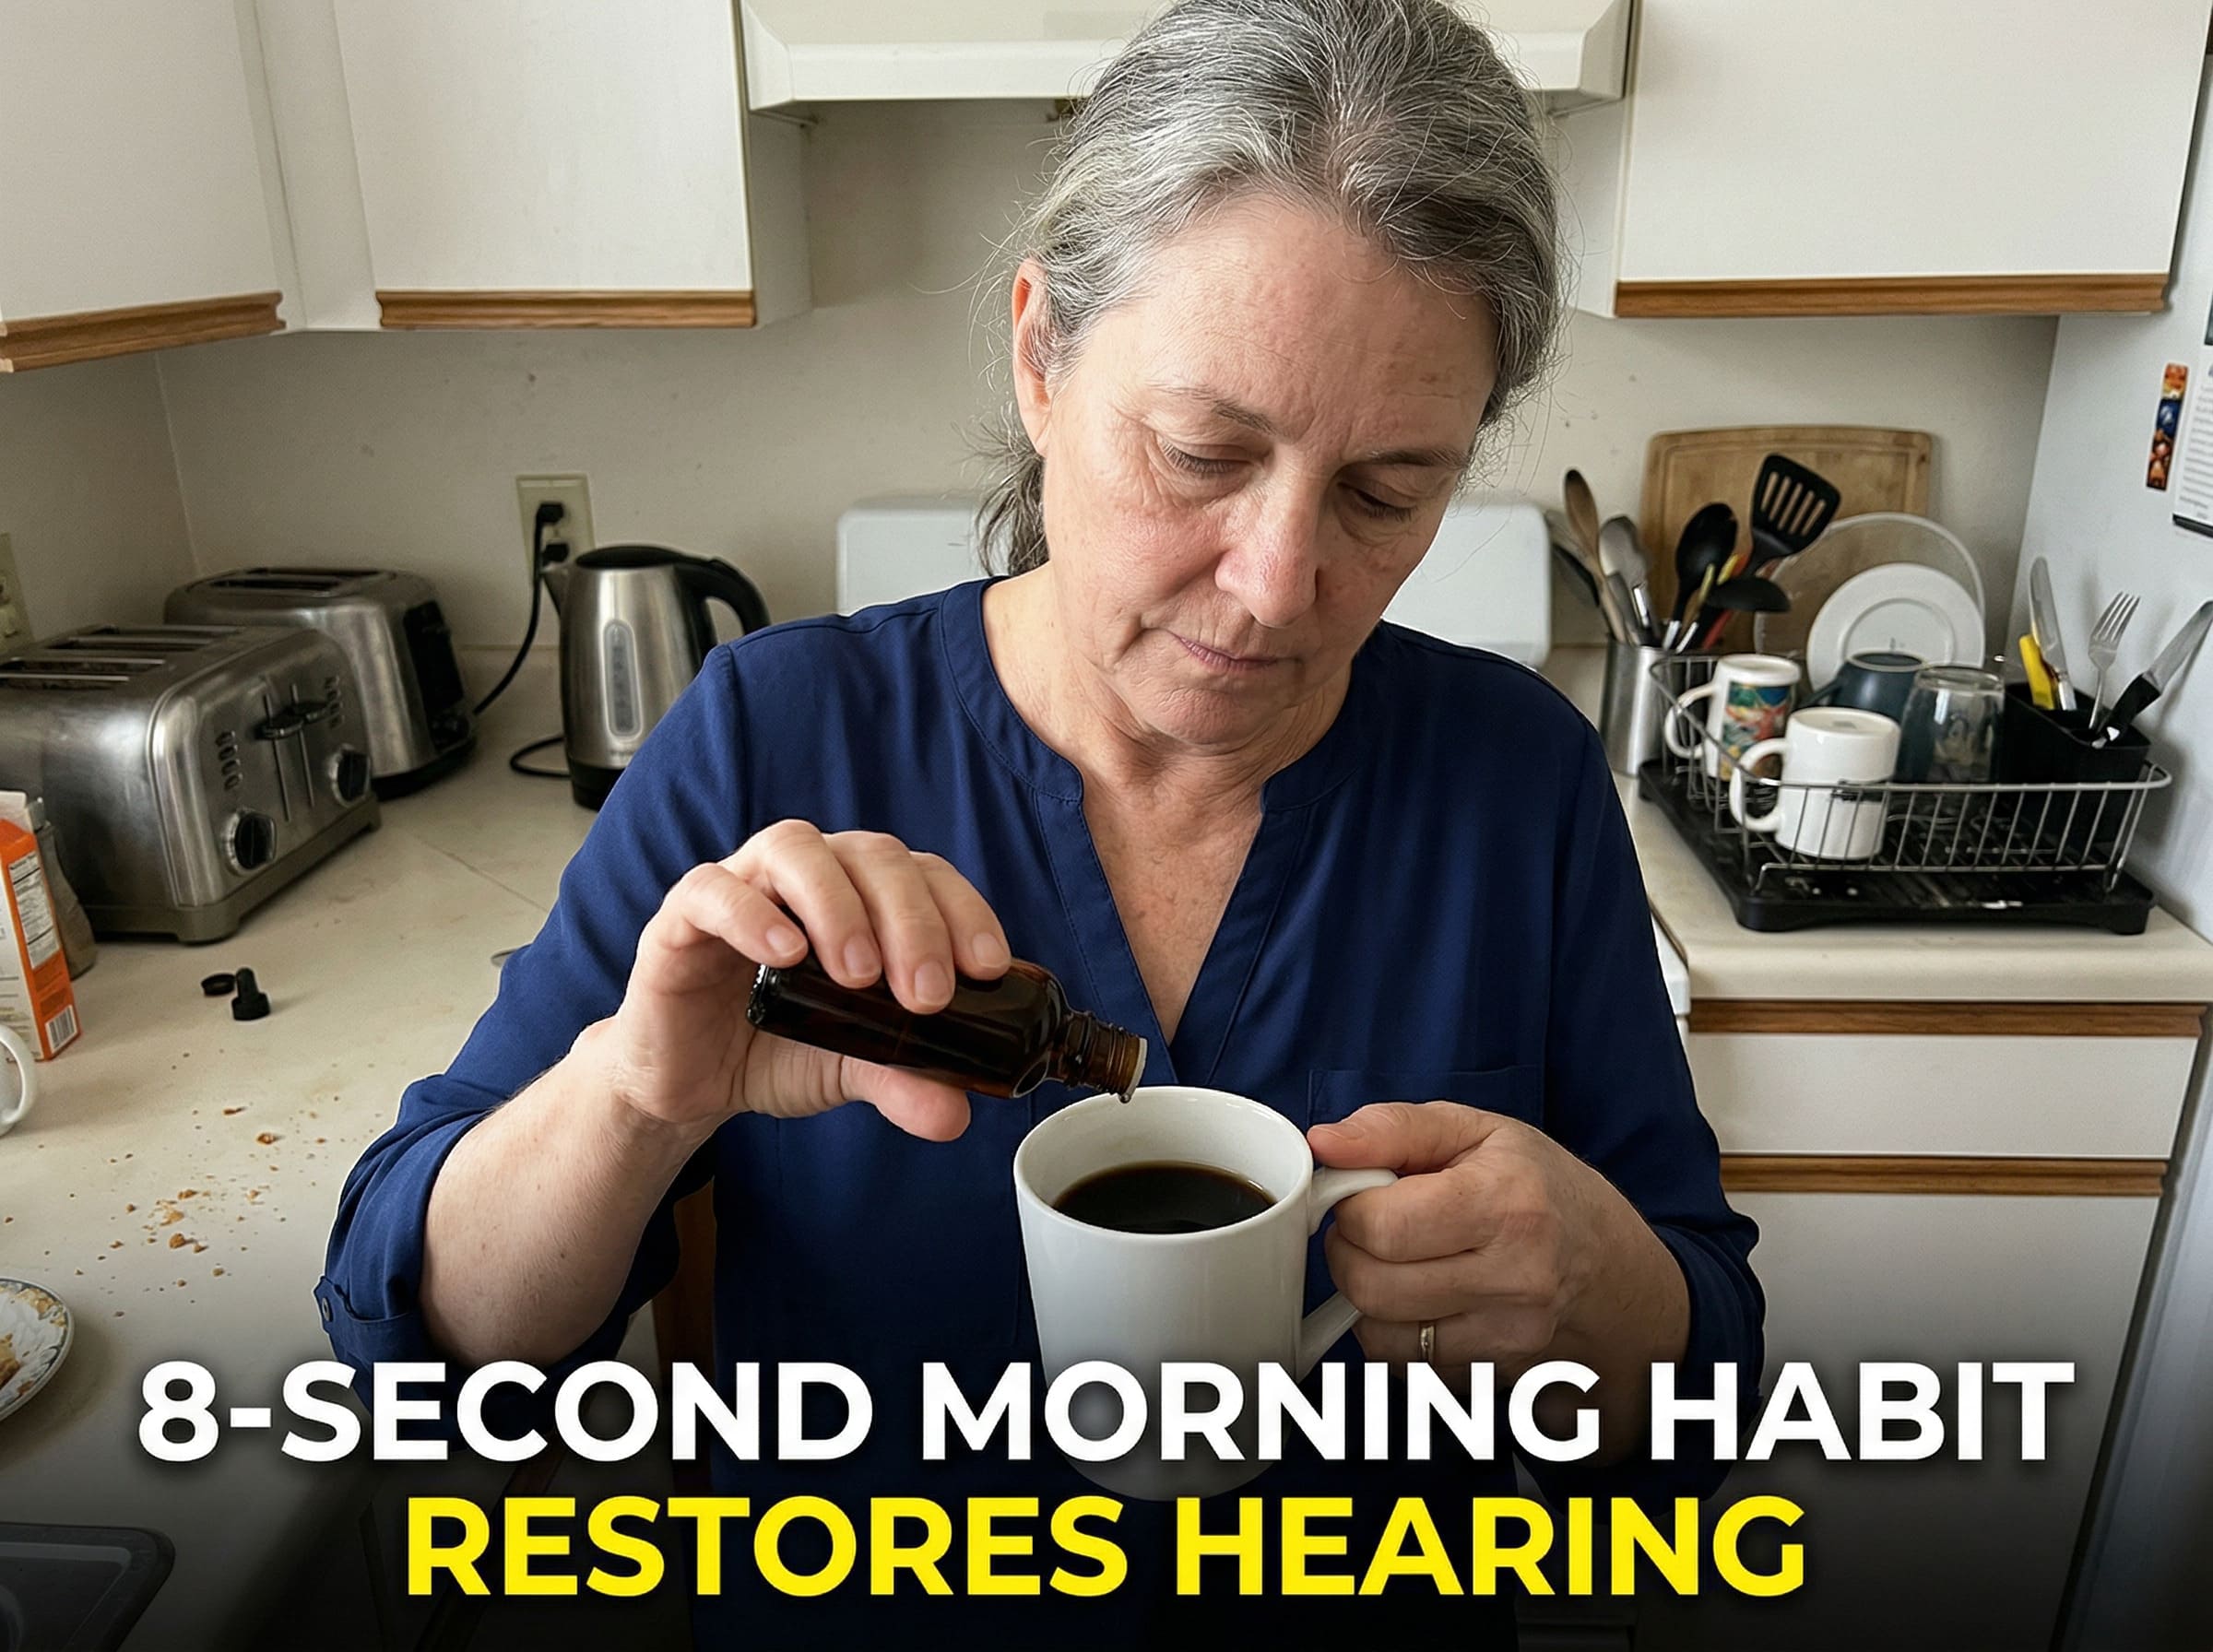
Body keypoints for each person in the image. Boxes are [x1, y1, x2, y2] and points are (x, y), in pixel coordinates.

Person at [324, 0, 1762, 1640]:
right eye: (1204, 452)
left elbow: (1701, 1382)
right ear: (1040, 357)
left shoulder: (1516, 781)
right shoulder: (774, 737)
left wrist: (1617, 1303)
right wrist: (635, 1103)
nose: (1279, 586)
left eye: (1387, 491)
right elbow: (416, 1346)